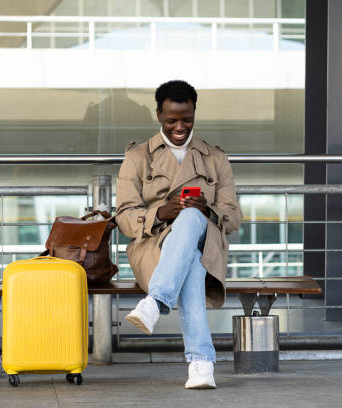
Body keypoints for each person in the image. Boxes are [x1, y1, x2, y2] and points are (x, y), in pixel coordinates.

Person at [115, 80, 242, 389]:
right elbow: (124, 217)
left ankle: (156, 302)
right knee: (193, 265)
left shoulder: (215, 158)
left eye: (187, 119)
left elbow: (234, 216)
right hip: (154, 250)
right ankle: (201, 362)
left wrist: (207, 210)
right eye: (172, 120)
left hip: (206, 242)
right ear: (158, 115)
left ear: (194, 113)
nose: (179, 127)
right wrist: (160, 213)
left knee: (192, 219)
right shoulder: (137, 157)